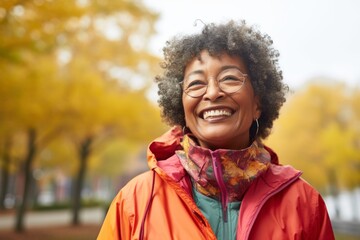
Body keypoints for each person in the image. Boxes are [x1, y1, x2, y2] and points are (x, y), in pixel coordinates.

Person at [97, 20, 334, 240]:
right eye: (196, 83)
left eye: (229, 78)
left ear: (258, 103)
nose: (212, 93)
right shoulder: (134, 202)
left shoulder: (304, 204)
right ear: (181, 108)